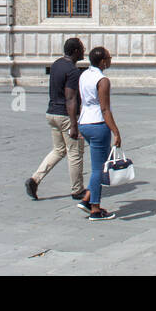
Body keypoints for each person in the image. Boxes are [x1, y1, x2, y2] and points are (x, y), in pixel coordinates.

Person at [25, 37, 87, 202]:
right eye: (81, 49)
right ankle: (77, 190)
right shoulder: (73, 71)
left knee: (59, 150)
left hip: (51, 112)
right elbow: (71, 97)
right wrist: (74, 124)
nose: (84, 51)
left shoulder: (56, 64)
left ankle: (35, 179)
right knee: (75, 153)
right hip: (65, 115)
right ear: (75, 51)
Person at [77, 46, 124, 220]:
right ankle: (95, 209)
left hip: (84, 122)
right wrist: (116, 132)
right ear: (103, 61)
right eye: (109, 57)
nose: (111, 60)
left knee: (101, 164)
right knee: (98, 169)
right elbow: (104, 109)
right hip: (98, 124)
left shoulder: (84, 75)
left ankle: (87, 199)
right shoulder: (103, 80)